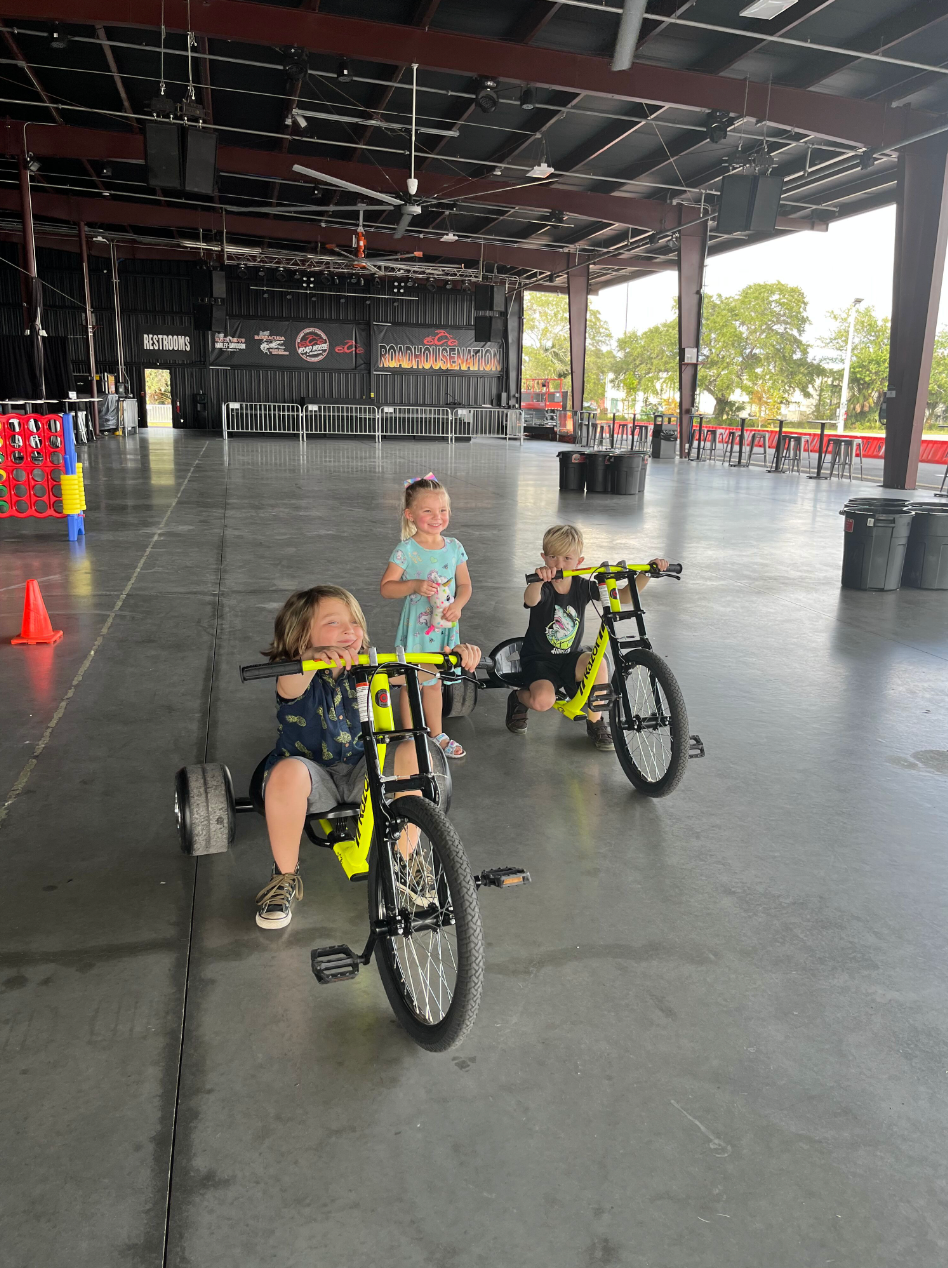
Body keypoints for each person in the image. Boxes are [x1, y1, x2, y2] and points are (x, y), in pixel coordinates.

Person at [255, 584, 480, 930]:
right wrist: (312, 658)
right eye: (333, 623)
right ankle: (284, 875)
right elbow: (290, 684)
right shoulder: (294, 673)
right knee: (286, 775)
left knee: (413, 749)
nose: (349, 630)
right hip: (315, 777)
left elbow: (420, 674)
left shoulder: (370, 665)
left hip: (367, 770)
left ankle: (404, 862)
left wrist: (454, 661)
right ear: (300, 637)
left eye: (354, 623)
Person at [505, 524, 668, 750]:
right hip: (539, 660)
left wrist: (646, 574)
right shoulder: (544, 587)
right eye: (552, 557)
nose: (559, 564)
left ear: (579, 562)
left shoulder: (581, 586)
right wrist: (538, 580)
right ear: (543, 557)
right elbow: (531, 600)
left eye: (567, 558)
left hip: (570, 657)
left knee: (599, 664)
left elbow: (623, 597)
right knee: (543, 701)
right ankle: (518, 698)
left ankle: (595, 722)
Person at [380, 474, 473, 759]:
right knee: (413, 681)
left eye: (442, 510)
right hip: (417, 631)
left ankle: (437, 733)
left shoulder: (454, 547)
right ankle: (411, 737)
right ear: (410, 515)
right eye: (428, 511)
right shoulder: (406, 550)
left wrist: (459, 603)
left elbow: (466, 585)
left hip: (444, 626)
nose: (437, 517)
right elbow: (387, 588)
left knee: (434, 683)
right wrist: (413, 586)